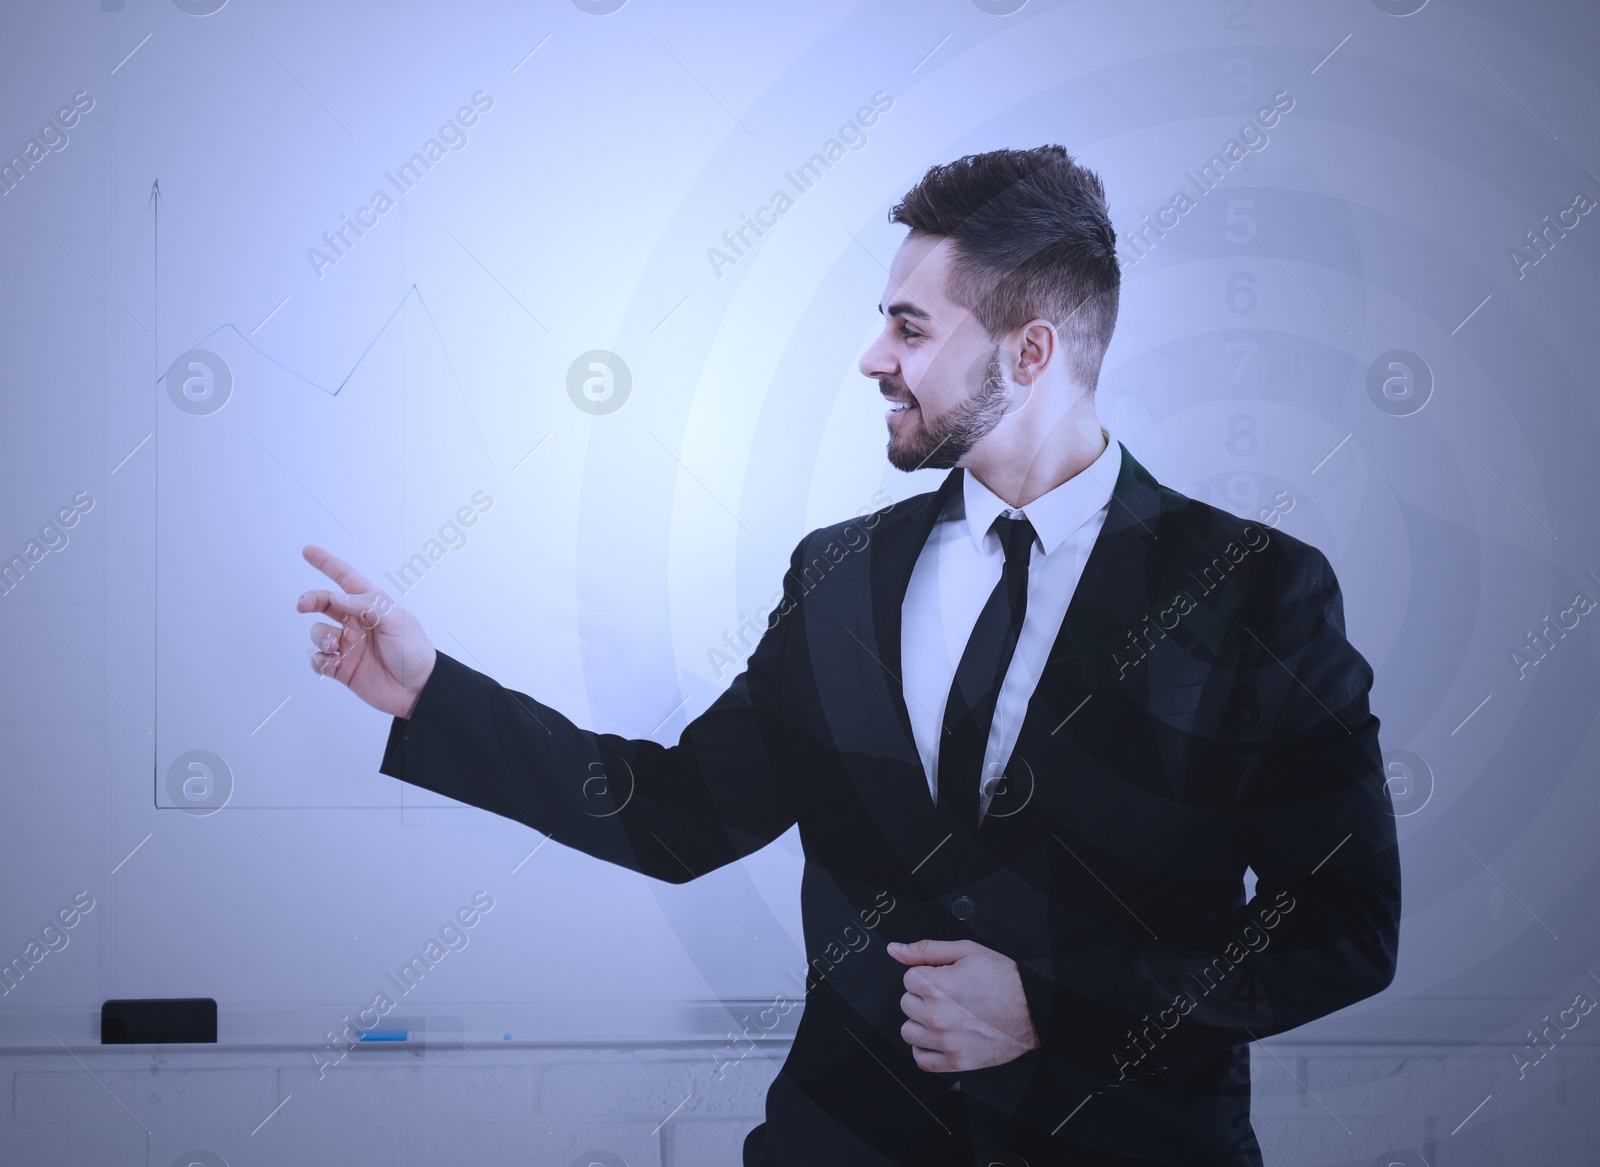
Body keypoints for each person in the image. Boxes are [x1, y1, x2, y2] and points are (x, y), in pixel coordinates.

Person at [297, 146, 1400, 1165]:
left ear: (1031, 351)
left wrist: (1057, 1006)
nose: (872, 358)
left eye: (911, 330)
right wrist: (430, 693)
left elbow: (1341, 927)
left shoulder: (1253, 586)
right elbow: (679, 814)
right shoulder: (839, 575)